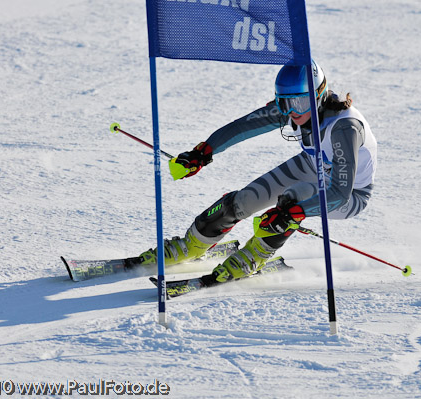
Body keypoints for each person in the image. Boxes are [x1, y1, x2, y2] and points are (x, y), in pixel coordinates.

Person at [130, 60, 377, 286]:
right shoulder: (297, 108)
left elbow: (340, 193)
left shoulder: (345, 128)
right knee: (243, 200)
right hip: (312, 165)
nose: (292, 112)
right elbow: (245, 126)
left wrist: (296, 212)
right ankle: (191, 245)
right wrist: (204, 151)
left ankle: (252, 257)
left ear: (318, 96)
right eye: (284, 103)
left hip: (350, 194)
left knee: (290, 203)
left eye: (299, 103)